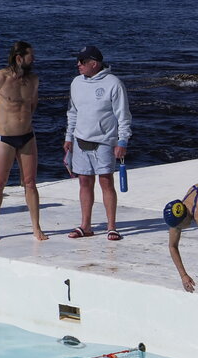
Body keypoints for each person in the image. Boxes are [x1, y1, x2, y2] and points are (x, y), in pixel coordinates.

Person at [0, 41, 45, 242]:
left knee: (30, 183)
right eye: (30, 56)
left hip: (27, 137)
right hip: (4, 139)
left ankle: (36, 227)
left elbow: (32, 105)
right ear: (19, 58)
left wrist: (23, 123)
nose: (34, 59)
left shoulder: (33, 79)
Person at [64, 45, 132, 241]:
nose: (79, 64)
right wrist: (69, 138)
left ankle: (112, 226)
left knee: (105, 181)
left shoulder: (114, 83)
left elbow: (123, 115)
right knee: (84, 182)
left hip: (104, 141)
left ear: (94, 64)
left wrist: (122, 141)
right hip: (80, 140)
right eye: (78, 61)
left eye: (83, 62)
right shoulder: (76, 83)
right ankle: (86, 226)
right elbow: (72, 112)